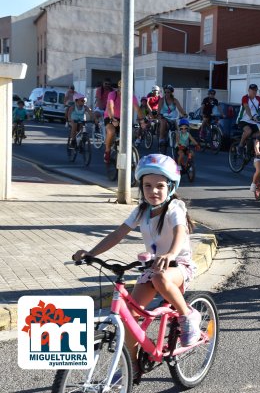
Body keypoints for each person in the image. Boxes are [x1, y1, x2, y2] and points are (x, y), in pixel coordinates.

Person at [72, 154, 201, 381]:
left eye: (160, 186)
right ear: (141, 187)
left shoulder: (174, 207)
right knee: (127, 319)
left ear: (170, 187)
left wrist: (170, 253)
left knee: (161, 279)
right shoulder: (141, 210)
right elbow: (117, 234)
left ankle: (188, 315)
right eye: (147, 186)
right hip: (154, 267)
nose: (153, 191)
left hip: (178, 266)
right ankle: (132, 365)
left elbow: (180, 231)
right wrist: (91, 253)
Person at [103, 80, 143, 163]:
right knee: (111, 131)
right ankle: (107, 151)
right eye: (122, 89)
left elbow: (137, 108)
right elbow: (110, 107)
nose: (124, 91)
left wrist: (142, 120)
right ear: (119, 88)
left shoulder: (131, 96)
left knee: (129, 134)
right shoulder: (112, 94)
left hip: (123, 118)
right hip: (110, 116)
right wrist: (112, 119)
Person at [237, 84, 260, 152]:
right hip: (243, 120)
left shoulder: (258, 99)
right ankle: (240, 145)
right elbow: (247, 108)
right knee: (248, 131)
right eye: (252, 90)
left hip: (254, 121)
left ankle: (251, 144)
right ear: (249, 90)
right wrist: (251, 116)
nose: (254, 92)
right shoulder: (245, 98)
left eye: (255, 90)